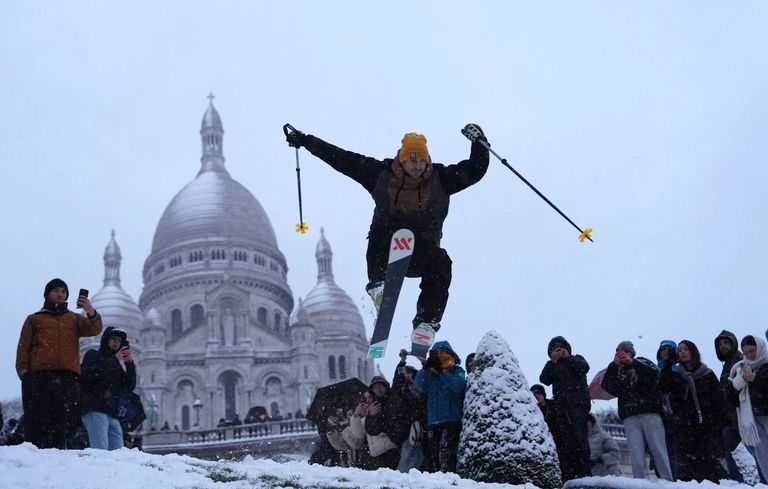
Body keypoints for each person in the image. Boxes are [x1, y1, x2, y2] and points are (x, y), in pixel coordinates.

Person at [285, 126, 489, 340]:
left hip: (421, 255)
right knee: (381, 226)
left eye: (422, 161)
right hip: (388, 251)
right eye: (412, 161)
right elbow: (342, 159)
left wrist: (479, 143)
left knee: (442, 260)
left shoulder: (441, 179)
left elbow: (474, 170)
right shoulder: (380, 174)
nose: (418, 167)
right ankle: (378, 287)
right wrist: (307, 141)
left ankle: (426, 323)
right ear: (401, 160)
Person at [15, 278, 103, 449]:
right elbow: (23, 347)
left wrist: (89, 310)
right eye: (56, 290)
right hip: (40, 376)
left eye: (63, 291)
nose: (60, 293)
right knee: (38, 419)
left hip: (67, 377)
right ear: (47, 294)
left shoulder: (74, 319)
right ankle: (34, 455)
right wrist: (23, 373)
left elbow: (94, 329)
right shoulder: (34, 319)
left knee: (63, 421)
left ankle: (57, 456)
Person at [601, 341, 673, 480]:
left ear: (631, 352)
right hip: (630, 416)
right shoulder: (617, 370)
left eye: (623, 351)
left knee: (658, 449)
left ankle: (668, 481)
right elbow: (607, 386)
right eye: (617, 352)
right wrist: (613, 365)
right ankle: (638, 482)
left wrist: (633, 363)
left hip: (650, 412)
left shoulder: (643, 362)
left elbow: (655, 376)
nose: (620, 354)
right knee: (635, 453)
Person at [658, 339, 728, 482]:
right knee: (688, 470)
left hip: (707, 426)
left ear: (693, 352)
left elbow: (719, 399)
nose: (682, 352)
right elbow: (664, 387)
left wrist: (719, 423)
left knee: (710, 468)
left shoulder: (707, 373)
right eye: (680, 349)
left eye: (686, 349)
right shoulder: (676, 374)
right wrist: (668, 364)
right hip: (685, 427)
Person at [539, 336, 591, 481]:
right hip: (561, 409)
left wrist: (569, 358)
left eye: (562, 348)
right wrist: (552, 362)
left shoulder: (576, 359)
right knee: (566, 442)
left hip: (578, 405)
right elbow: (544, 379)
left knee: (580, 438)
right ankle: (571, 473)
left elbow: (585, 367)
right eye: (555, 349)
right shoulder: (552, 366)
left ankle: (585, 472)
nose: (559, 350)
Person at [79, 327, 137, 450]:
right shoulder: (92, 355)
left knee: (118, 454)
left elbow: (128, 387)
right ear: (106, 340)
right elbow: (93, 376)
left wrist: (129, 364)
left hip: (112, 414)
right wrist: (115, 359)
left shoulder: (116, 365)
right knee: (100, 452)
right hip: (95, 409)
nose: (116, 342)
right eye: (113, 339)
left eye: (119, 340)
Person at [414, 341, 466, 473]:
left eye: (444, 355)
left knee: (448, 459)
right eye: (437, 356)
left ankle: (449, 483)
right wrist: (425, 367)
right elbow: (418, 386)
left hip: (451, 422)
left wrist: (441, 372)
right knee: (434, 459)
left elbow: (457, 387)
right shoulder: (429, 374)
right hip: (433, 423)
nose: (441, 358)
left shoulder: (457, 371)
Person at [727, 335, 768, 478]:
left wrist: (756, 379)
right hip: (753, 419)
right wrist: (738, 384)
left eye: (753, 350)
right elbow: (730, 397)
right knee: (763, 456)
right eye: (747, 352)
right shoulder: (740, 369)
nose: (750, 355)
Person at [715, 330, 753, 482]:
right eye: (720, 344)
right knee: (724, 445)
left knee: (755, 449)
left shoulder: (740, 359)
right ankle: (737, 481)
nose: (723, 346)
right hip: (731, 418)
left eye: (725, 343)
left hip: (744, 414)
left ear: (733, 343)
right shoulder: (727, 365)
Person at [364, 376, 410, 470]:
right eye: (376, 387)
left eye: (381, 386)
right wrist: (373, 416)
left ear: (386, 387)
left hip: (396, 447)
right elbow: (371, 430)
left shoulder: (395, 400)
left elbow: (402, 420)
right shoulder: (374, 406)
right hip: (380, 453)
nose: (379, 389)